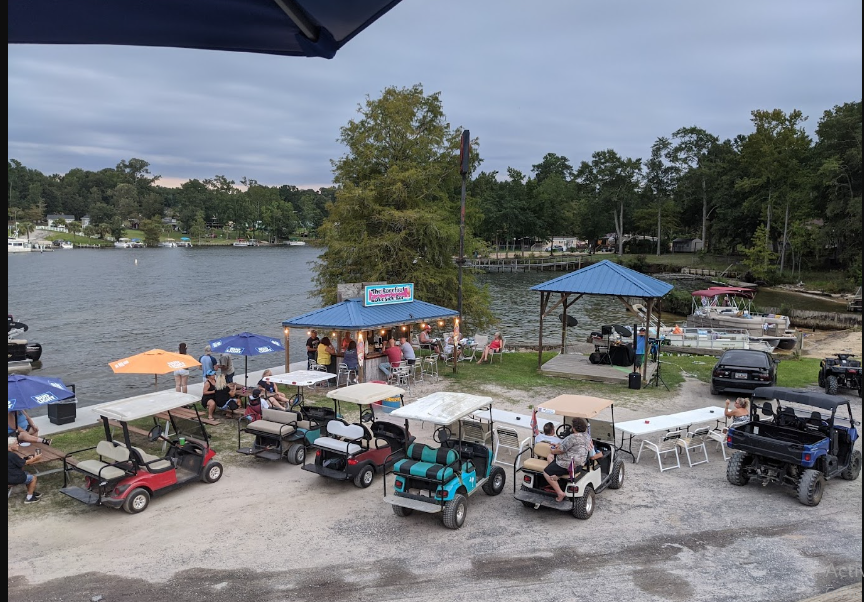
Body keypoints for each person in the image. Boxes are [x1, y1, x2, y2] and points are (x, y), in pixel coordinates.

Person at [543, 417, 602, 502]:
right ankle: (557, 476)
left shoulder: (571, 437)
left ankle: (560, 493)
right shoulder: (587, 436)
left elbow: (560, 450)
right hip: (579, 465)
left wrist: (553, 451)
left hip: (567, 465)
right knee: (553, 460)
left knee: (546, 472)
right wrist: (559, 445)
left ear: (574, 428)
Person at [8, 437, 43, 504]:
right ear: (10, 446)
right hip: (12, 478)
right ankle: (29, 498)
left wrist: (26, 458)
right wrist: (35, 458)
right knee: (33, 478)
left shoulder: (10, 455)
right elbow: (25, 463)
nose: (18, 445)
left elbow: (17, 461)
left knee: (27, 474)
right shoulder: (12, 455)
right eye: (16, 443)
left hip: (9, 475)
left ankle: (31, 491)